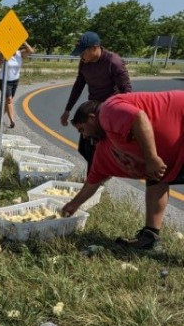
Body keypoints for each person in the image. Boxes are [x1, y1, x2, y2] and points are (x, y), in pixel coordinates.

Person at [61, 91, 184, 250]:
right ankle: (150, 237)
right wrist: (73, 205)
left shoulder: (107, 110)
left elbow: (138, 117)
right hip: (177, 151)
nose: (84, 136)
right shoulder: (105, 147)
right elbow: (92, 183)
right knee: (154, 178)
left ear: (92, 118)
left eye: (82, 129)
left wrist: (151, 158)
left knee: (153, 173)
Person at [60, 31, 132, 173]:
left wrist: (127, 120)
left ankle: (95, 182)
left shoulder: (113, 62)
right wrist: (67, 109)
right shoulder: (84, 63)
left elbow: (127, 92)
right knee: (85, 148)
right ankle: (94, 178)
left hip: (110, 109)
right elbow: (78, 86)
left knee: (98, 150)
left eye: (83, 53)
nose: (81, 56)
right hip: (93, 107)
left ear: (94, 48)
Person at [0, 41, 34, 128]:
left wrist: (24, 41)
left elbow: (31, 51)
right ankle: (12, 121)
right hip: (4, 80)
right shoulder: (4, 55)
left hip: (15, 80)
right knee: (9, 100)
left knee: (9, 101)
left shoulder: (20, 54)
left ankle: (0, 117)